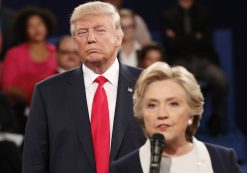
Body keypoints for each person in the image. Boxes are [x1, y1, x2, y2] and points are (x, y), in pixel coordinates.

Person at [22, 2, 146, 173]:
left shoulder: (148, 84)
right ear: (75, 43)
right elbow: (33, 161)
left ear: (119, 37)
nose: (91, 38)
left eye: (100, 30)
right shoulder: (47, 92)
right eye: (82, 32)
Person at [110, 62, 241, 173]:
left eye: (173, 104)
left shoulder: (223, 161)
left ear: (191, 113)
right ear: (141, 115)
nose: (162, 114)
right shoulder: (123, 169)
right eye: (152, 105)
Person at [162, 0, 228, 135]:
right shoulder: (168, 15)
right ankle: (182, 125)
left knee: (222, 81)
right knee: (178, 87)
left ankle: (216, 118)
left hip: (203, 60)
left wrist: (179, 38)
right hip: (180, 61)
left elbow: (206, 42)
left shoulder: (205, 13)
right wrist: (195, 37)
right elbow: (170, 45)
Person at [1, 6, 57, 105]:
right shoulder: (14, 53)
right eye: (31, 26)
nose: (37, 29)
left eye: (40, 24)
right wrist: (33, 100)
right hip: (22, 109)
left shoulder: (56, 51)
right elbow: (8, 86)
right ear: (24, 30)